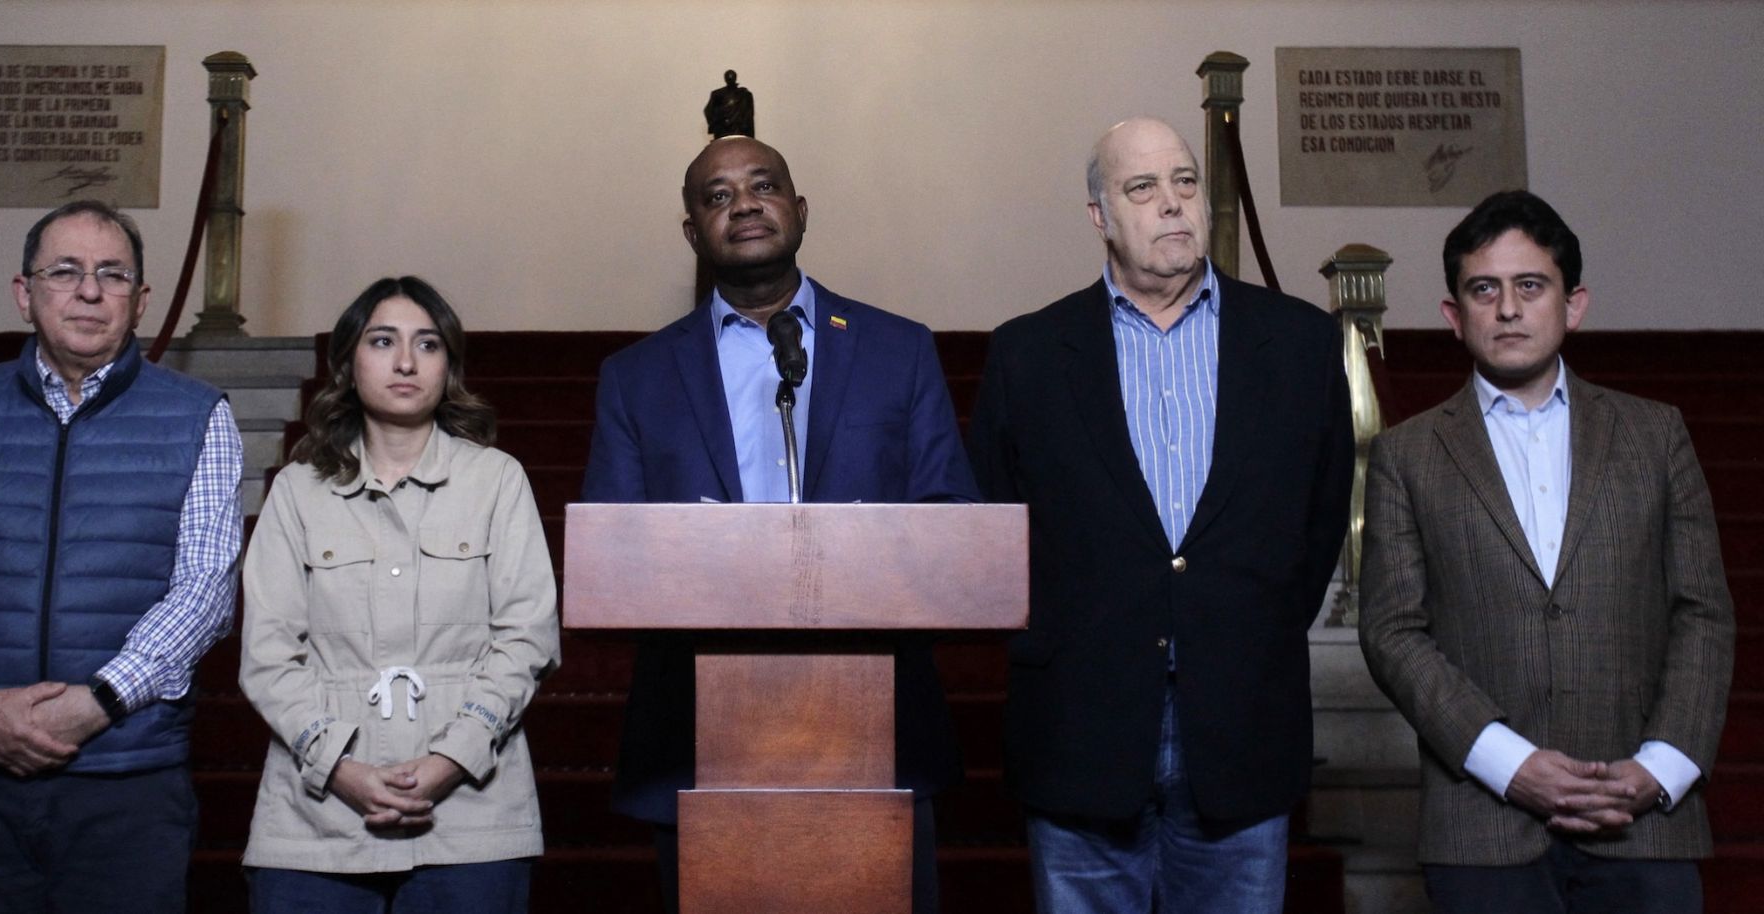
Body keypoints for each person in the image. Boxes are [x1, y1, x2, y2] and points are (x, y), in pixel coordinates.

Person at [581, 135, 978, 914]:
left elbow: (951, 525)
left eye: (763, 186)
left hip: (876, 728)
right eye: (718, 196)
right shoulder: (636, 378)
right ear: (693, 233)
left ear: (800, 210)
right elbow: (612, 556)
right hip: (699, 735)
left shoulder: (898, 350)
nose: (745, 204)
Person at [968, 118, 1353, 914]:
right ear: (1099, 216)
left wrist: (1253, 627)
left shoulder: (1301, 344)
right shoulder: (1028, 355)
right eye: (1141, 188)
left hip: (1244, 726)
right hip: (1081, 731)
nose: (1172, 204)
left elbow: (1318, 523)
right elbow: (995, 535)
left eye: (1185, 182)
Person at [1358, 190, 1734, 914]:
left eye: (1531, 286)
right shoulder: (1408, 456)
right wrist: (1511, 764)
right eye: (1484, 289)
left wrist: (1660, 768)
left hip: (1643, 822)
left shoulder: (1656, 436)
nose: (1508, 308)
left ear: (1574, 303)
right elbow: (1392, 631)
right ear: (1453, 315)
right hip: (1481, 828)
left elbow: (1704, 614)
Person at [0, 199, 242, 913]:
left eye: (112, 274)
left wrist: (98, 701)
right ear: (25, 293)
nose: (88, 290)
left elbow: (204, 590)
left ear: (140, 302)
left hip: (127, 779)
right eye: (65, 271)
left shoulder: (199, 414)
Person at [239, 276, 560, 912]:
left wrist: (449, 759)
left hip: (472, 816)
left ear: (450, 365)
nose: (406, 361)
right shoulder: (298, 490)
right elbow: (269, 653)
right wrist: (341, 767)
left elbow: (526, 639)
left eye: (428, 344)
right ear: (347, 363)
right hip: (316, 818)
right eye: (383, 341)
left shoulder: (496, 480)